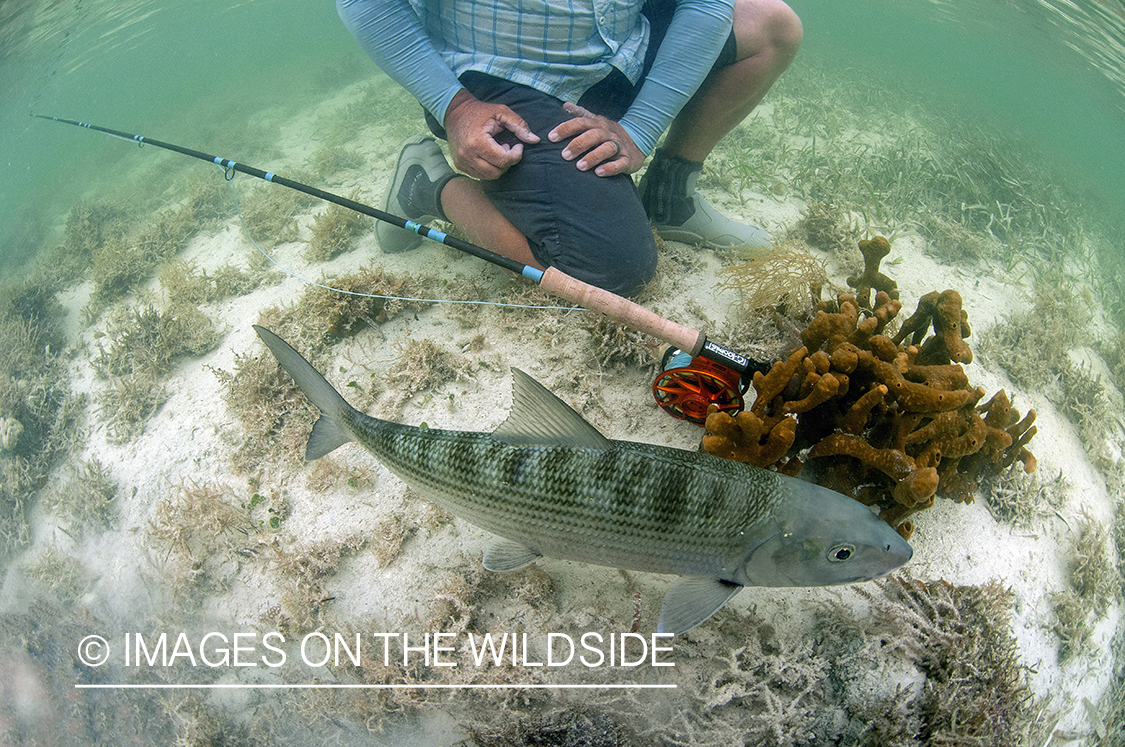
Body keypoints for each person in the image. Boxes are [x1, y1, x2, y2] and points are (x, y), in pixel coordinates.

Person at [338, 0, 801, 297]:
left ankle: (669, 199)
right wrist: (454, 106)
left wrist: (640, 128)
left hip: (620, 48)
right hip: (502, 78)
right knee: (611, 270)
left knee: (773, 26)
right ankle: (428, 184)